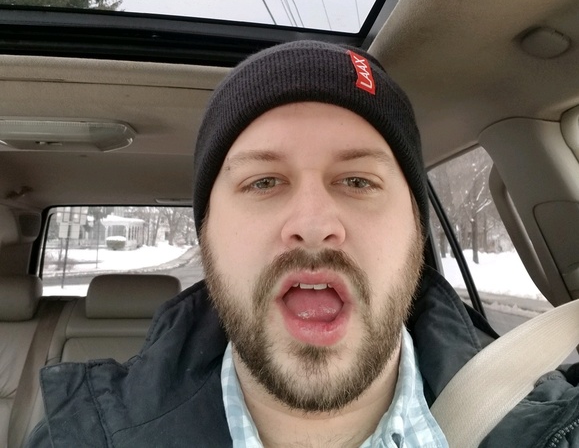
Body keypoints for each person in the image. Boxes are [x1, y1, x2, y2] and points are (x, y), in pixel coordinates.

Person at [27, 41, 579, 447]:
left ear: (416, 228)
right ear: (206, 234)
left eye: (358, 181)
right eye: (263, 182)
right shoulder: (78, 438)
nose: (314, 224)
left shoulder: (553, 429)